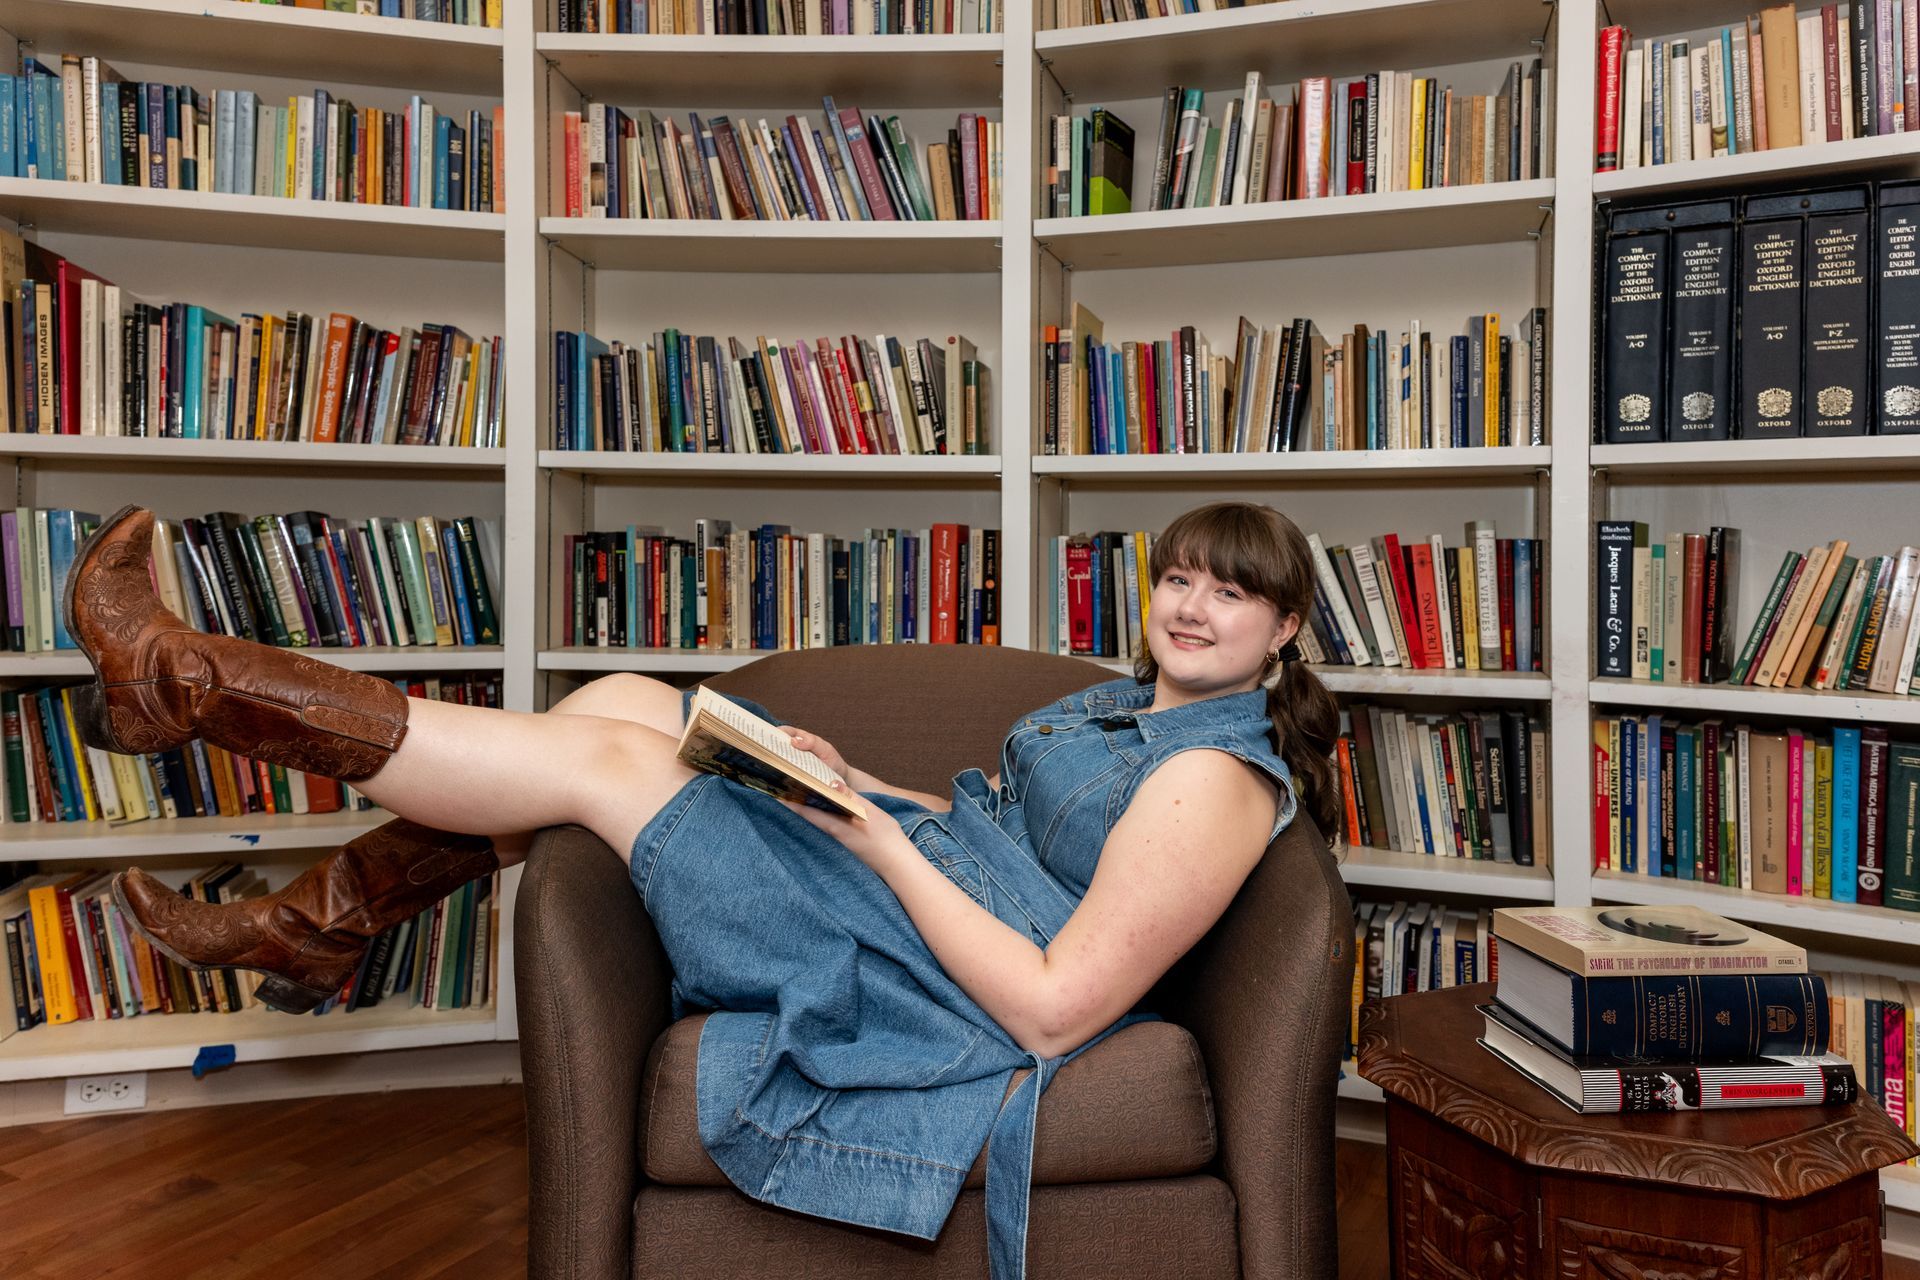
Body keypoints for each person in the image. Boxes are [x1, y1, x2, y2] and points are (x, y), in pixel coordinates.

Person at [71, 498, 1338, 1280]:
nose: (1190, 606)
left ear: (1283, 630)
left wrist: (873, 838)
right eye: (1180, 576)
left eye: (1230, 593)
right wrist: (863, 782)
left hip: (943, 983)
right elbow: (1003, 829)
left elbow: (1057, 1004)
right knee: (625, 700)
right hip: (927, 880)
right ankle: (323, 921)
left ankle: (188, 680)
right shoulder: (1125, 707)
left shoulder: (1212, 779)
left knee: (608, 762)